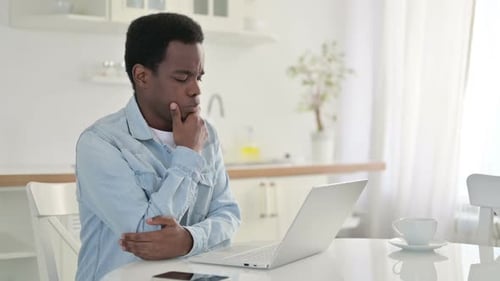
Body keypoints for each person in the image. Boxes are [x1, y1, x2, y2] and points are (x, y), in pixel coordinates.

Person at [75, 13, 241, 281]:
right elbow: (149, 239)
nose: (196, 89)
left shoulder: (206, 134)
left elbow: (228, 216)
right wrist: (188, 154)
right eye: (182, 77)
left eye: (199, 76)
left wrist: (188, 239)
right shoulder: (100, 144)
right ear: (142, 76)